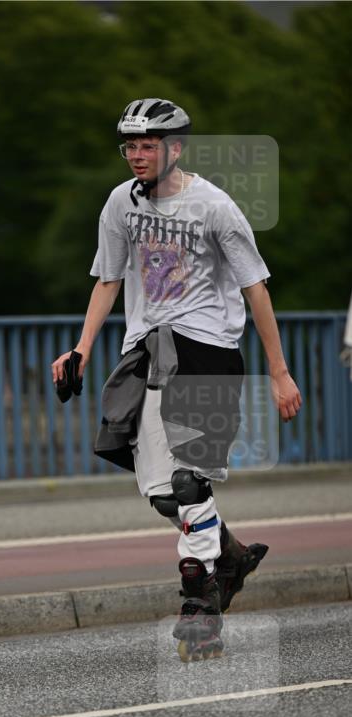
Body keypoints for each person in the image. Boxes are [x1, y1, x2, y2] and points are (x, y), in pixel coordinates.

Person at [52, 98, 302, 661]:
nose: (137, 156)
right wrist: (81, 348)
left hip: (208, 350)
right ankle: (231, 556)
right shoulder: (120, 203)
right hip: (148, 351)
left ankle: (200, 606)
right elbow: (107, 281)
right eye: (130, 147)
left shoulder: (214, 206)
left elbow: (255, 287)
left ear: (176, 148)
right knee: (167, 497)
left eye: (147, 146)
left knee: (192, 484)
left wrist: (279, 372)